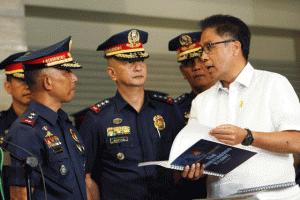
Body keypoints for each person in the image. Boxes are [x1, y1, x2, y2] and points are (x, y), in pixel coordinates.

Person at [187, 14, 300, 199]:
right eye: (202, 50)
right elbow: (196, 155)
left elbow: (296, 141)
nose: (203, 57)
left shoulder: (273, 83)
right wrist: (195, 168)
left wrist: (247, 136)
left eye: (209, 47)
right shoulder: (201, 101)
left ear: (234, 47)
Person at [80, 29, 185, 200]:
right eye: (128, 62)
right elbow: (87, 178)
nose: (138, 67)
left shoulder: (167, 109)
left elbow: (183, 162)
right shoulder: (97, 118)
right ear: (112, 73)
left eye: (141, 60)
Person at [5, 36, 92, 200]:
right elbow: (19, 196)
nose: (74, 78)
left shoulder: (65, 125)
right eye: (66, 72)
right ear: (47, 82)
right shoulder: (25, 132)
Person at [168, 32, 216, 199]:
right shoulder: (174, 109)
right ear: (183, 71)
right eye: (189, 63)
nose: (196, 67)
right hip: (195, 192)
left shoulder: (235, 98)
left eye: (201, 60)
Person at [0, 51, 31, 200]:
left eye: (31, 80)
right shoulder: (0, 125)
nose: (27, 86)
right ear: (8, 87)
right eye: (21, 80)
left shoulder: (54, 123)